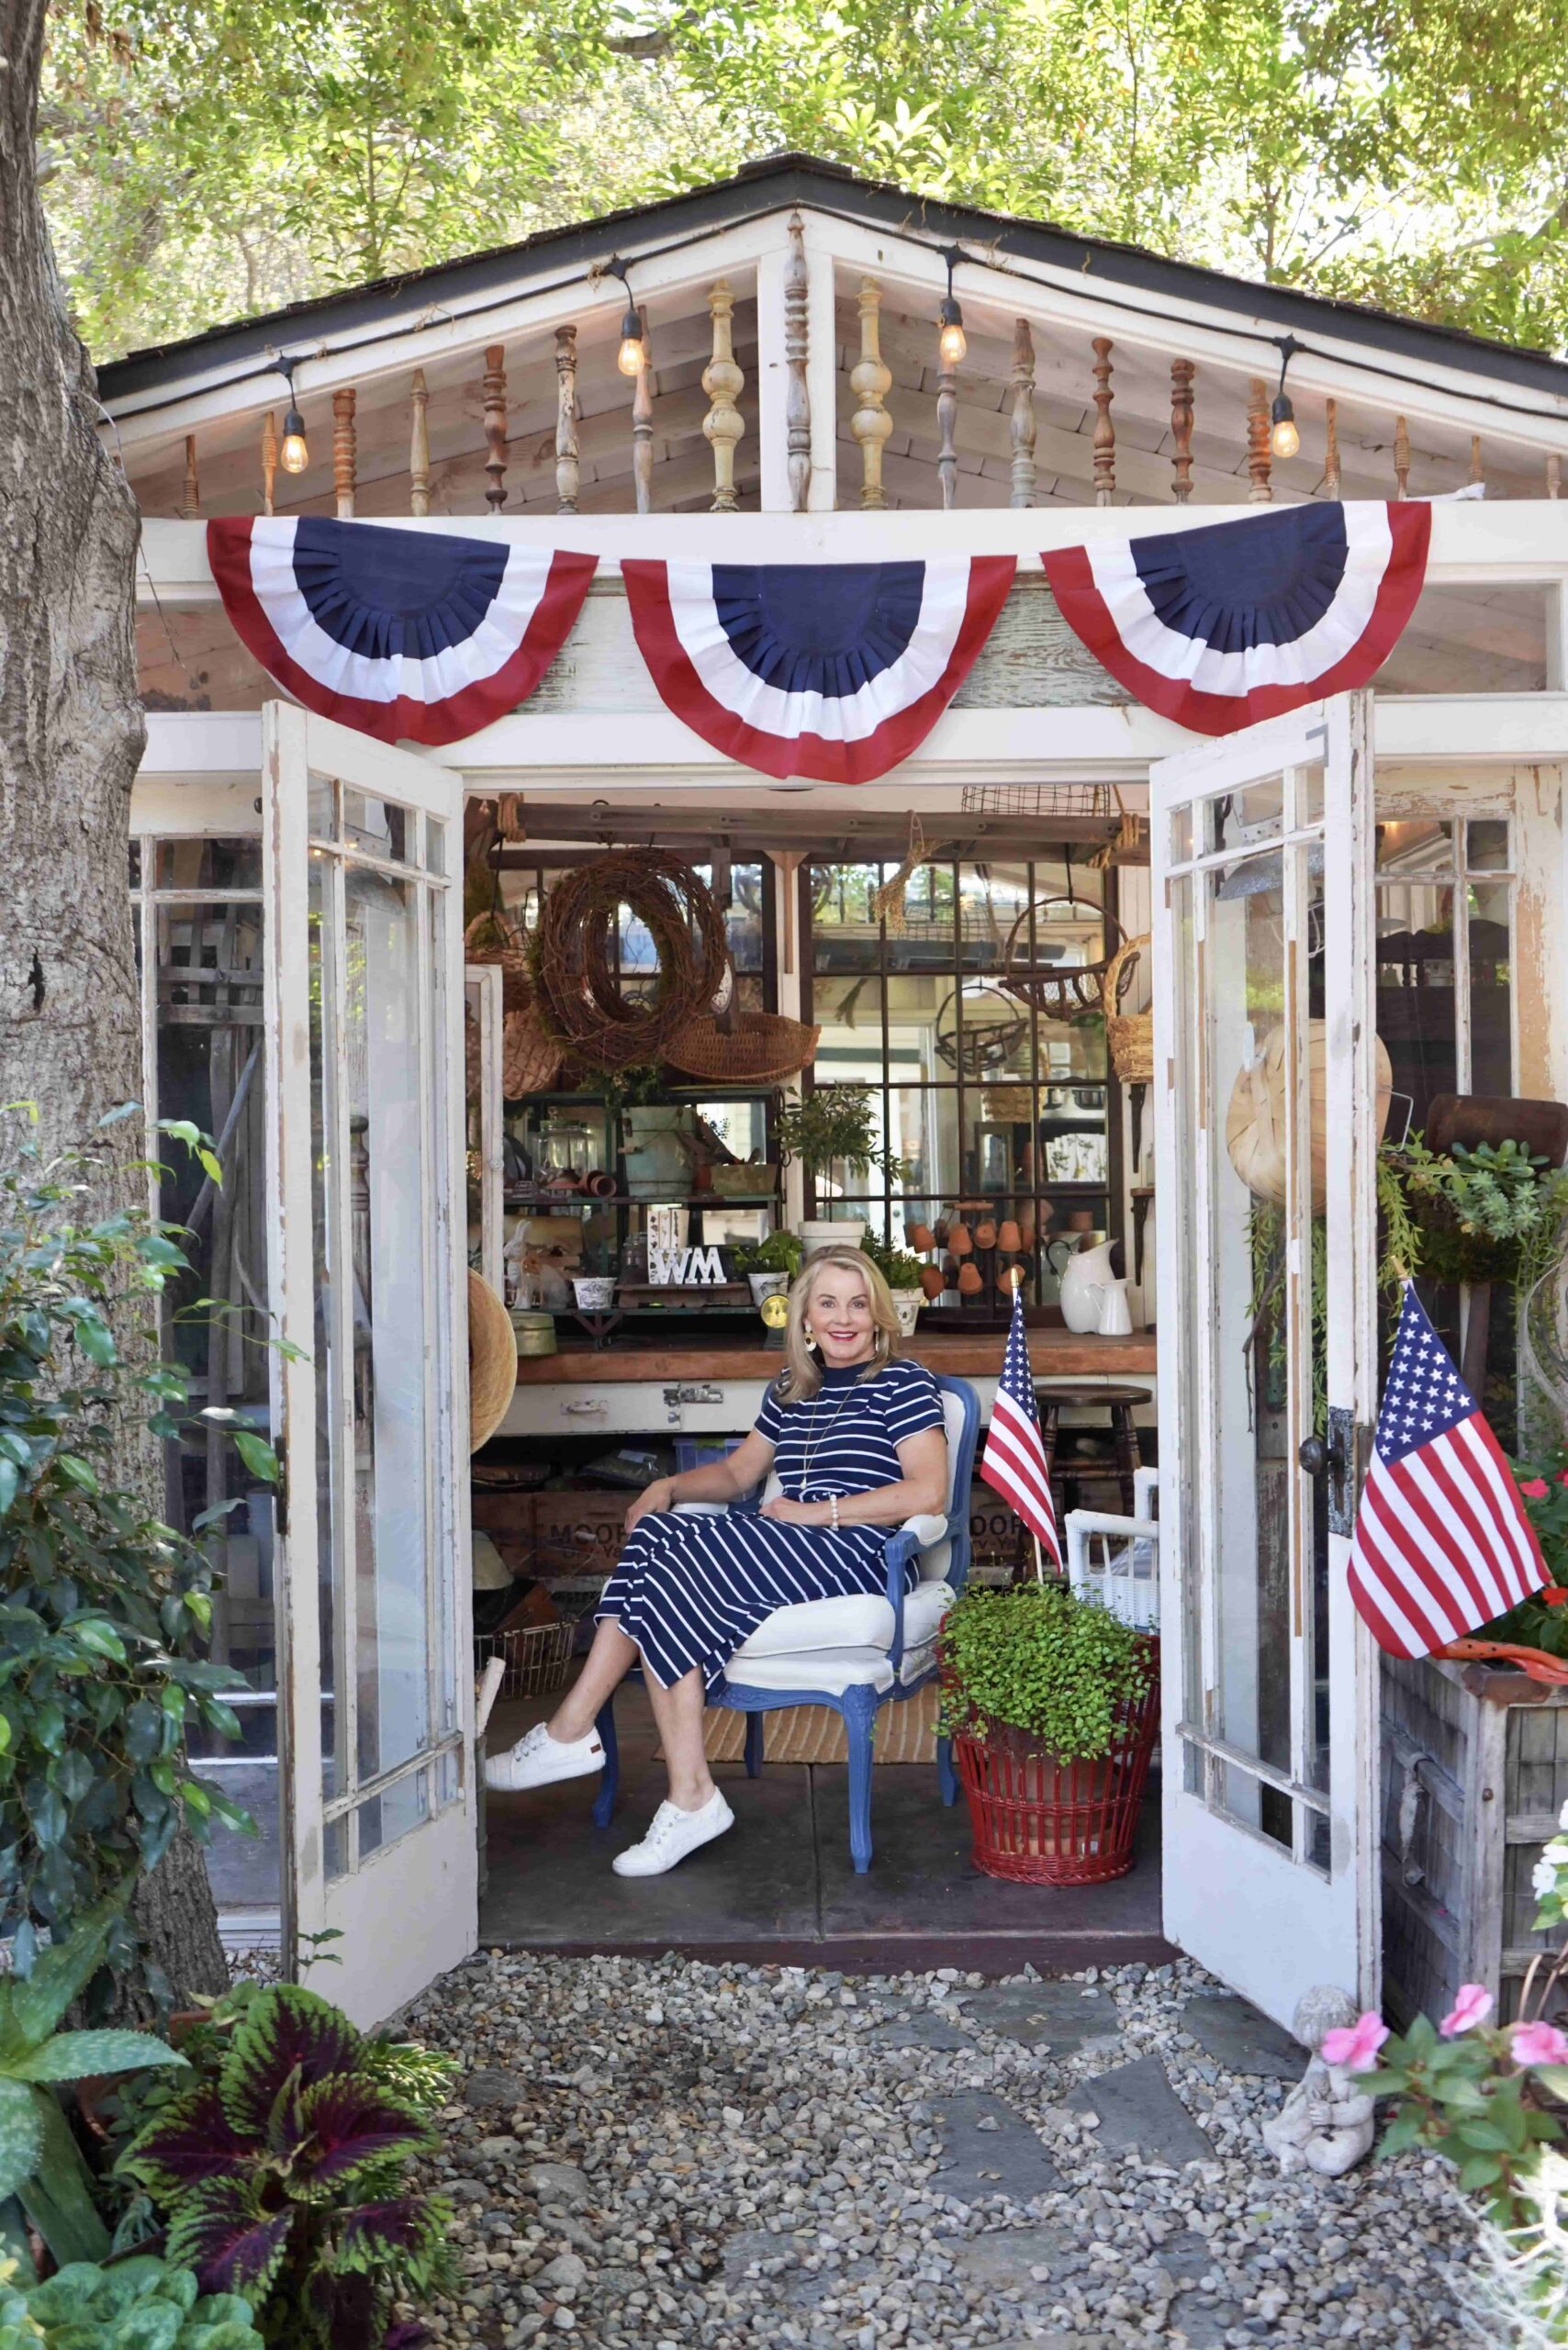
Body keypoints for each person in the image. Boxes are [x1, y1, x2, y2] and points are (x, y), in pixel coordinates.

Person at [484, 1246, 949, 1877]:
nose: (844, 1318)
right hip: (784, 1547)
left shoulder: (903, 1381)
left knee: (662, 1551)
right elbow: (738, 1474)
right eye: (828, 1303)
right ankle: (685, 1790)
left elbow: (928, 1492)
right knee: (657, 1534)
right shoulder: (792, 1388)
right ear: (805, 1319)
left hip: (855, 1551)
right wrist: (668, 1489)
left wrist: (818, 1512)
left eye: (859, 1304)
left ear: (879, 1316)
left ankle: (578, 1734)